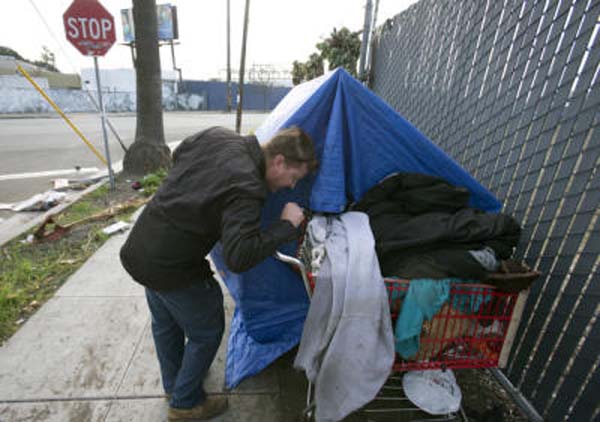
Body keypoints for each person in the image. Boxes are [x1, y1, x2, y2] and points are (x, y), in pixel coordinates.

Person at [120, 126, 317, 421]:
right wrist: (286, 226)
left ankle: (175, 386)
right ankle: (185, 403)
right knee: (207, 331)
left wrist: (197, 197)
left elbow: (181, 151)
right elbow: (239, 256)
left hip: (141, 247)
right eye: (293, 177)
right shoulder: (247, 187)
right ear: (278, 161)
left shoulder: (219, 136)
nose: (291, 186)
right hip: (171, 266)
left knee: (166, 323)